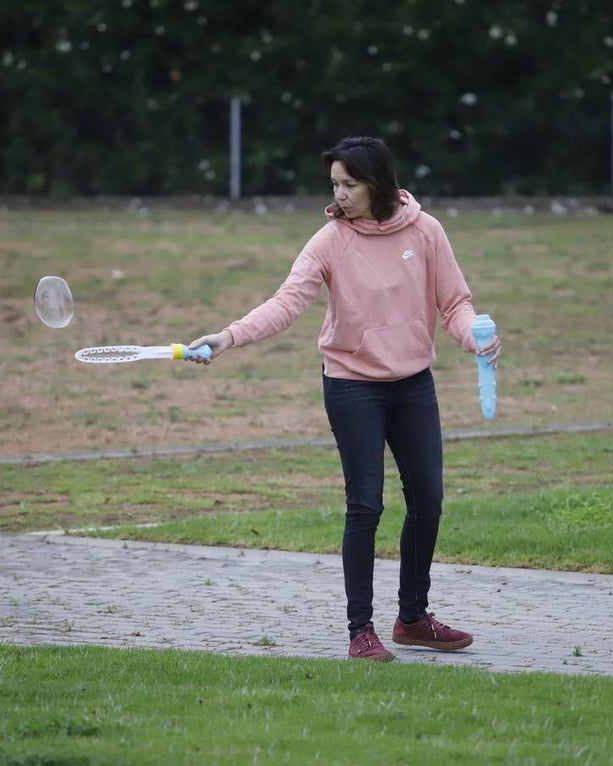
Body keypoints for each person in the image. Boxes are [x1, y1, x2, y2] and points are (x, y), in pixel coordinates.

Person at [188, 136, 501, 662]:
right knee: (366, 504)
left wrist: (475, 337)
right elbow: (286, 303)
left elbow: (455, 304)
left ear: (377, 183)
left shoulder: (426, 231)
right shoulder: (329, 241)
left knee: (428, 499)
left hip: (412, 383)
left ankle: (413, 618)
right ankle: (361, 630)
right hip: (352, 384)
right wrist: (228, 336)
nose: (339, 195)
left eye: (349, 184)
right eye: (334, 184)